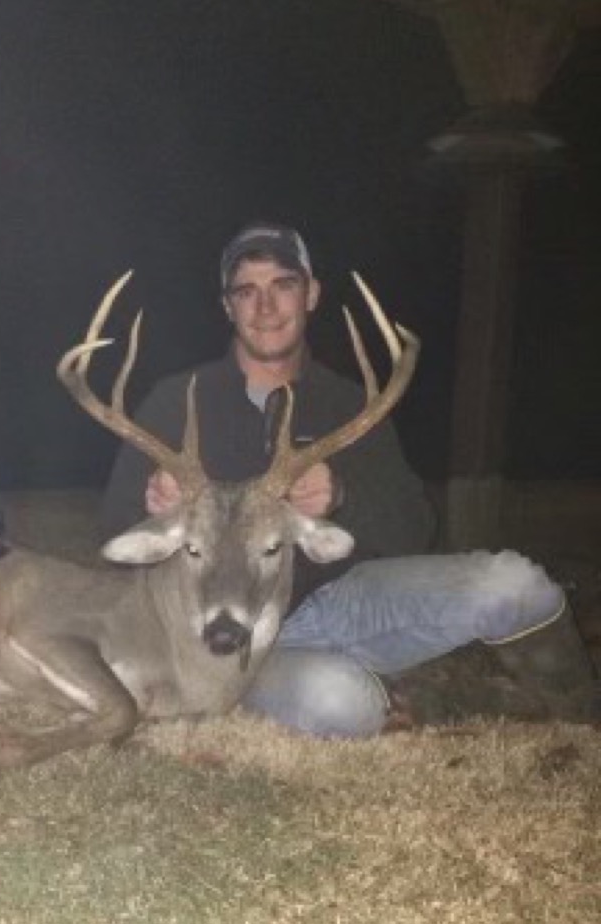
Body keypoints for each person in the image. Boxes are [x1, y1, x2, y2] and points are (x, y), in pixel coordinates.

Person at [101, 223, 599, 736]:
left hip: (348, 598)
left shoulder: (352, 405)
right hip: (236, 631)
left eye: (283, 285)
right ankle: (426, 697)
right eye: (246, 291)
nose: (265, 306)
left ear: (311, 293)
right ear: (228, 306)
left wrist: (343, 495)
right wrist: (152, 505)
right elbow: (115, 537)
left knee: (516, 583)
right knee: (339, 704)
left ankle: (585, 715)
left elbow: (415, 527)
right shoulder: (174, 400)